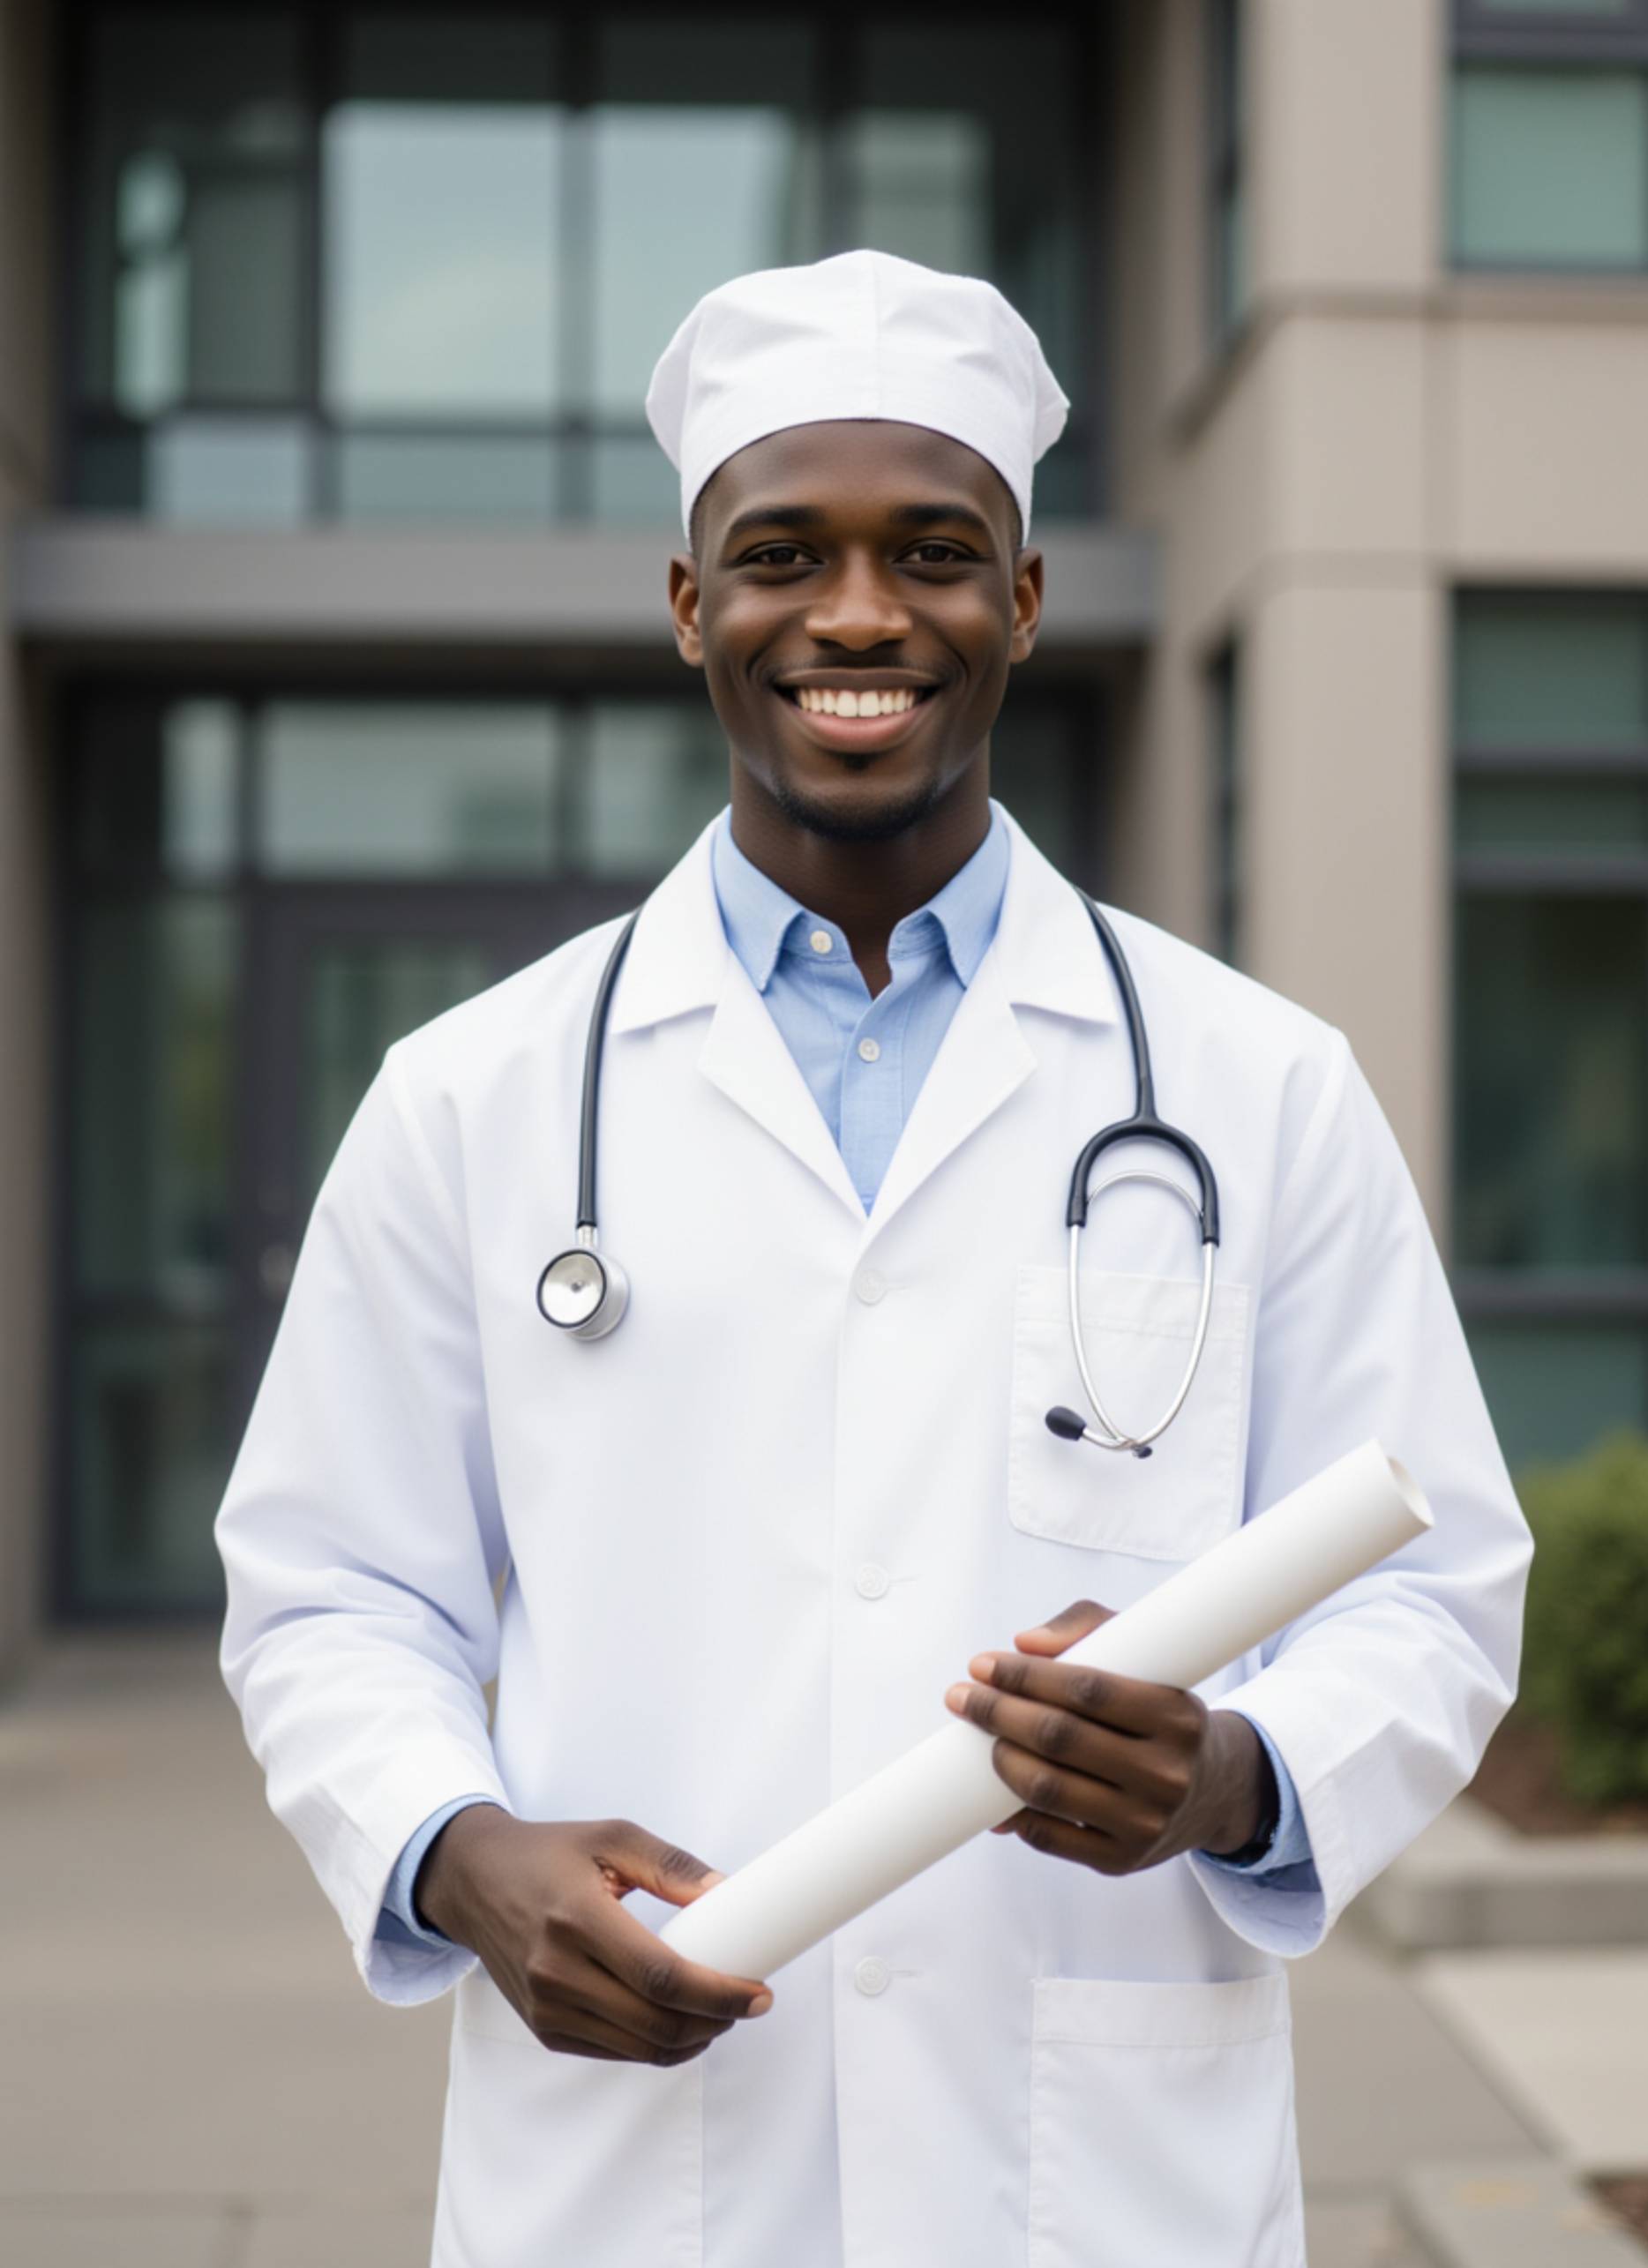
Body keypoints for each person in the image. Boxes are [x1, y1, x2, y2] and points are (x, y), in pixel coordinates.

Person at [216, 248, 1532, 2268]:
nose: (853, 614)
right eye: (777, 553)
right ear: (690, 608)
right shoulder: (470, 1098)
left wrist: (1239, 1772)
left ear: (1019, 600)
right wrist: (459, 1854)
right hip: (634, 2172)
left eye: (931, 550)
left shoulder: (1257, 1085)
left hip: (1098, 2175)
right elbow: (328, 1589)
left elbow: (1435, 1586)